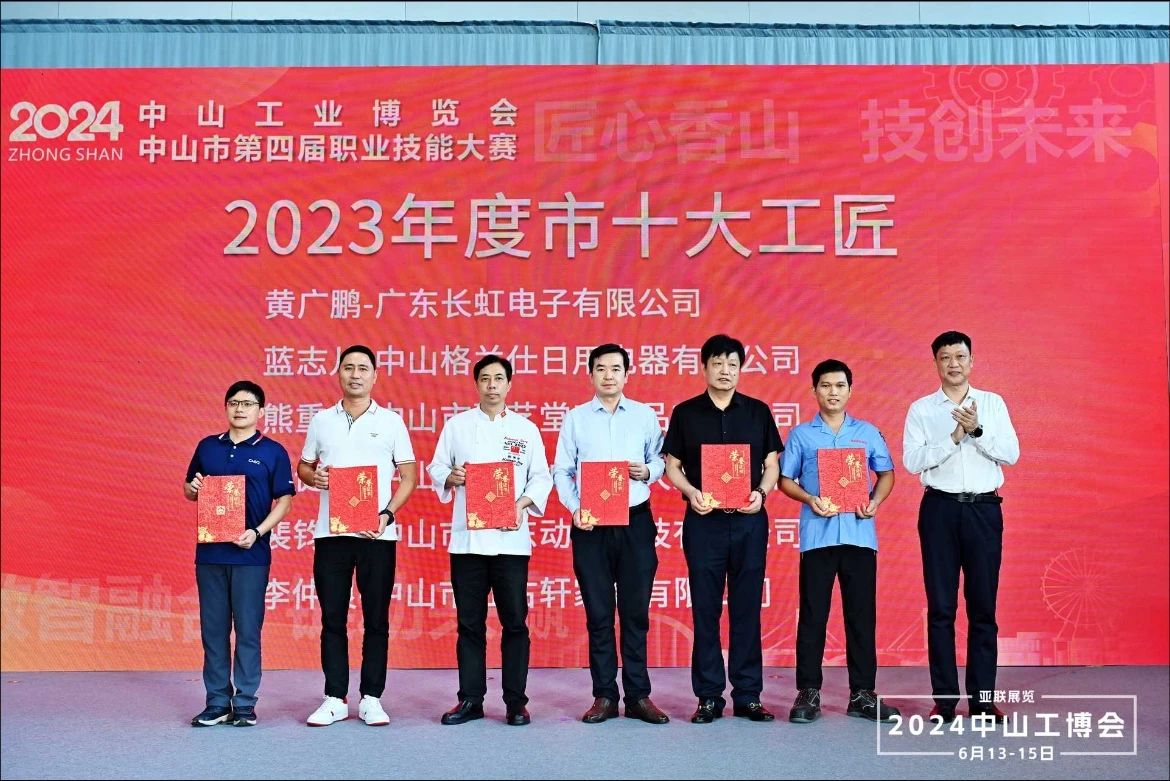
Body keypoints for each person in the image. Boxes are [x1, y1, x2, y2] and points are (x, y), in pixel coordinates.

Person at [663, 333, 784, 724]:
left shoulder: (758, 412)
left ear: (741, 368)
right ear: (705, 367)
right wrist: (691, 492)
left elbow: (772, 465)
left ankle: (748, 695)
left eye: (732, 364)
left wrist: (761, 494)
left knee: (747, 609)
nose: (725, 370)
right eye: (717, 363)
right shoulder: (686, 413)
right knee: (706, 610)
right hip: (704, 523)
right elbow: (671, 467)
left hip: (749, 522)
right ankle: (709, 696)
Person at [427, 355, 552, 727]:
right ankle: (470, 700)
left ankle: (516, 702)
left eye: (499, 378)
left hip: (511, 542)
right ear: (476, 384)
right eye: (485, 378)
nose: (492, 385)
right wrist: (451, 476)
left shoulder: (526, 429)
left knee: (515, 623)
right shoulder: (457, 426)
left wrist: (521, 504)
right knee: (470, 624)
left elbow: (541, 477)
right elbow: (435, 467)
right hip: (468, 543)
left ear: (509, 384)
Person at [903, 331, 1019, 723]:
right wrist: (954, 437)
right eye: (945, 357)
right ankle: (945, 701)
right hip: (939, 510)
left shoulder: (993, 403)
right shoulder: (921, 409)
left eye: (960, 356)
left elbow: (1011, 453)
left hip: (984, 509)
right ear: (935, 363)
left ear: (972, 361)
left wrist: (978, 431)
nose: (953, 363)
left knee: (983, 607)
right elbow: (912, 461)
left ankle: (983, 700)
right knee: (941, 608)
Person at [299, 345, 418, 727]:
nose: (355, 374)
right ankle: (334, 697)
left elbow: (409, 476)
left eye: (362, 368)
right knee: (332, 617)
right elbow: (304, 466)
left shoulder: (392, 422)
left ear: (375, 375)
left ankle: (371, 698)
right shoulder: (321, 421)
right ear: (338, 373)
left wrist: (387, 514)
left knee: (376, 619)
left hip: (376, 536)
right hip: (330, 533)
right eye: (348, 367)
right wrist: (313, 477)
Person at [552, 343, 670, 725]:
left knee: (635, 613)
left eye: (616, 369)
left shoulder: (644, 416)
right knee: (599, 614)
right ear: (591, 374)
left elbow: (661, 460)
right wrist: (575, 508)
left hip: (635, 521)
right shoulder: (575, 419)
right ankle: (604, 694)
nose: (608, 375)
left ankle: (638, 695)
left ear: (626, 374)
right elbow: (561, 470)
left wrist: (647, 472)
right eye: (601, 369)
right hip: (592, 525)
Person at [778, 359, 899, 724]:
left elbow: (886, 474)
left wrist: (875, 502)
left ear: (850, 390)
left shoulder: (867, 432)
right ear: (814, 390)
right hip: (818, 536)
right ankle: (808, 691)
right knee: (813, 615)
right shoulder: (801, 435)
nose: (833, 392)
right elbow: (785, 480)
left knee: (861, 616)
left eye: (840, 386)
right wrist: (809, 498)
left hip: (859, 535)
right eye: (826, 385)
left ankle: (862, 693)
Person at [184, 380, 295, 727]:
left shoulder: (272, 451)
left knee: (248, 631)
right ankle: (217, 701)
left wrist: (258, 532)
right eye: (233, 402)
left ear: (261, 411)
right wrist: (194, 488)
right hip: (210, 554)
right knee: (213, 631)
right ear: (226, 407)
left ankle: (245, 702)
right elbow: (189, 488)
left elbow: (285, 501)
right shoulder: (207, 447)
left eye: (247, 404)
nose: (240, 409)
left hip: (251, 555)